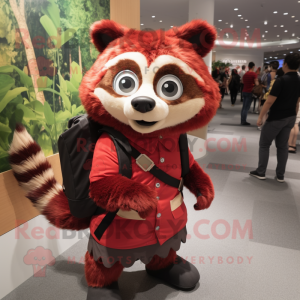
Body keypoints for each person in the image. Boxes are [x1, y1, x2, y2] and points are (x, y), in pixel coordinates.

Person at [250, 53, 300, 182]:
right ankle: (280, 175)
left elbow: (269, 102)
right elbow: (297, 102)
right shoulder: (299, 80)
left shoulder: (281, 80)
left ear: (286, 64)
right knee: (282, 146)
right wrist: (293, 115)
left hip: (277, 117)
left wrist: (260, 117)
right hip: (290, 117)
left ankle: (261, 172)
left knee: (264, 144)